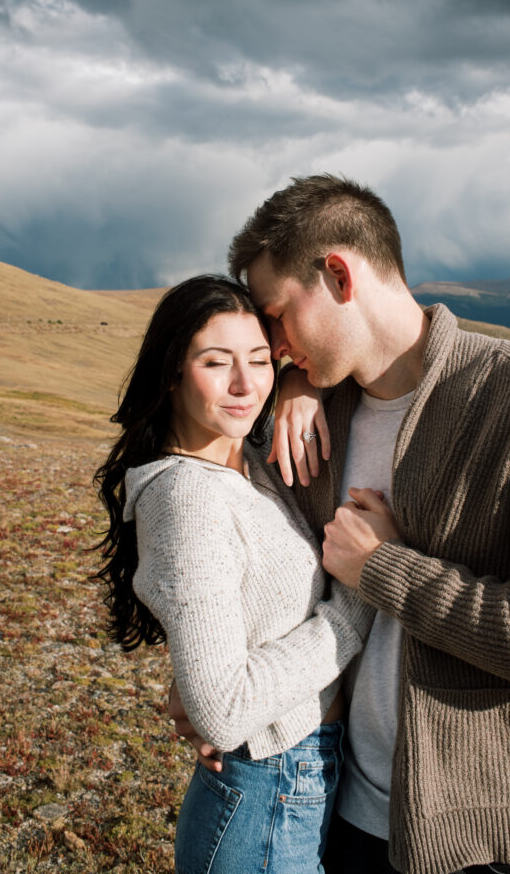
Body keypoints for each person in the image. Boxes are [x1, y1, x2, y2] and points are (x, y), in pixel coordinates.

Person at [172, 175, 510, 874]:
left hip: (501, 844)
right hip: (343, 815)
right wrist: (213, 687)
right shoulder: (305, 419)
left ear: (336, 273)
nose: (272, 346)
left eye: (276, 315)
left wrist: (384, 569)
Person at [94, 274, 376, 874]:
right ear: (171, 371)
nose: (246, 385)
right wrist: (355, 603)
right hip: (264, 795)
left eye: (259, 360)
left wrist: (299, 380)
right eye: (216, 363)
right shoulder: (187, 498)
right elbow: (221, 711)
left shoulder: (242, 456)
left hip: (303, 779)